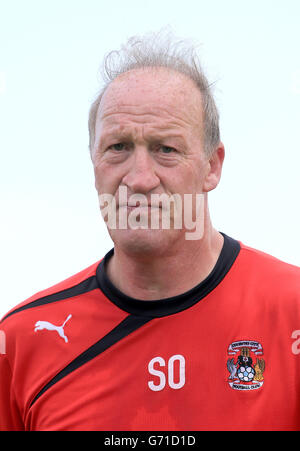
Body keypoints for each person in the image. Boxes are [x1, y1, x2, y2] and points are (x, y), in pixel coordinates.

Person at [0, 31, 300, 432]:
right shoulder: (21, 342)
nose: (140, 179)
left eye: (166, 149)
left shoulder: (290, 312)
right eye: (118, 147)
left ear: (212, 166)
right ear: (93, 163)